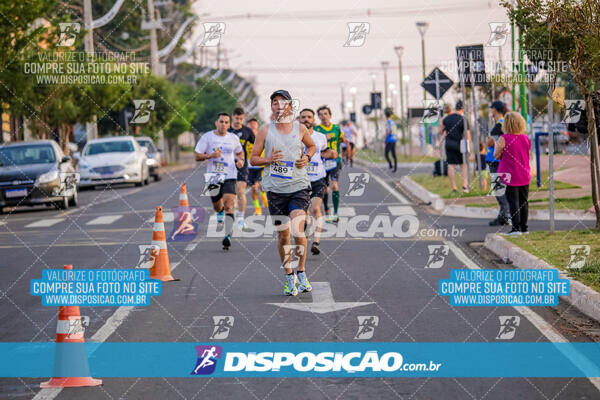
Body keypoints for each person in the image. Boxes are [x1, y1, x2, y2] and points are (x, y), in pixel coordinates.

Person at [250, 90, 317, 296]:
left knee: (298, 229)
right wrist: (268, 159)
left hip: (299, 186)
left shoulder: (301, 128)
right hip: (275, 190)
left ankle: (302, 271)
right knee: (283, 235)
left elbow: (312, 147)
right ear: (272, 107)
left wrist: (307, 157)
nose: (279, 106)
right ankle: (289, 276)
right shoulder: (265, 130)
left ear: (290, 107)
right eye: (275, 103)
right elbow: (253, 158)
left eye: (283, 103)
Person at [195, 112, 244, 250]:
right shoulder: (207, 137)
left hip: (230, 175)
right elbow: (197, 156)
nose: (223, 124)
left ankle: (227, 235)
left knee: (229, 204)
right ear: (216, 123)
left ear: (229, 124)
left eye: (226, 122)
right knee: (217, 206)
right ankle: (220, 212)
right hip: (213, 176)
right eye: (221, 121)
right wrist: (211, 155)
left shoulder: (233, 138)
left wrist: (241, 160)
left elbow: (240, 152)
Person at [299, 108, 338, 255]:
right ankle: (304, 231)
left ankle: (316, 241)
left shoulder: (321, 137)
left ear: (313, 120)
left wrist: (332, 154)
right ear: (299, 120)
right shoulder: (293, 137)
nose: (306, 119)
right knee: (302, 212)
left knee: (315, 208)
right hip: (300, 180)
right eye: (303, 117)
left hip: (318, 179)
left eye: (309, 117)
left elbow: (326, 152)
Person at [494, 111, 531, 236]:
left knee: (513, 201)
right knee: (524, 201)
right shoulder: (526, 138)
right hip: (524, 173)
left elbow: (496, 154)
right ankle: (524, 228)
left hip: (508, 175)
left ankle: (515, 228)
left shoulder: (503, 138)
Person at [314, 105, 348, 223]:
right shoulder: (317, 130)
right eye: (321, 114)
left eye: (325, 114)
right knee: (325, 189)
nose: (323, 116)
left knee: (334, 186)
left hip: (335, 162)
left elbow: (341, 140)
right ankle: (326, 210)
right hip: (322, 162)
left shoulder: (337, 128)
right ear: (318, 117)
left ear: (330, 115)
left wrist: (343, 146)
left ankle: (335, 213)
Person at [228, 107, 255, 229]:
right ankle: (227, 212)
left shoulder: (247, 131)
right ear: (232, 117)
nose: (238, 120)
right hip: (227, 165)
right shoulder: (226, 130)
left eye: (241, 118)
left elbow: (257, 144)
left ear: (243, 119)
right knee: (228, 192)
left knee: (240, 191)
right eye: (236, 118)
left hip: (242, 164)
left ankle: (240, 218)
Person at [487, 100, 510, 226]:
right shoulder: (504, 122)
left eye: (491, 109)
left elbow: (490, 142)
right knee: (502, 188)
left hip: (495, 160)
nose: (491, 111)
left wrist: (488, 140)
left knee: (499, 188)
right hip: (501, 159)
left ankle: (504, 216)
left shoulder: (499, 124)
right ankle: (505, 214)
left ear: (495, 110)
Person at [441, 102, 469, 194]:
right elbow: (467, 136)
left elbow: (441, 131)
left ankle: (454, 188)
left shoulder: (447, 119)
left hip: (448, 144)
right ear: (463, 109)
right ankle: (465, 186)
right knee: (463, 165)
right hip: (460, 145)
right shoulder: (463, 119)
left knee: (451, 165)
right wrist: (469, 148)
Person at [246, 117, 269, 215]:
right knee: (253, 188)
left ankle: (264, 195)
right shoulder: (244, 137)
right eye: (250, 124)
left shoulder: (262, 136)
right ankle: (257, 208)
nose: (252, 126)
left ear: (257, 126)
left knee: (258, 185)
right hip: (249, 167)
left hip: (261, 165)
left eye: (254, 124)